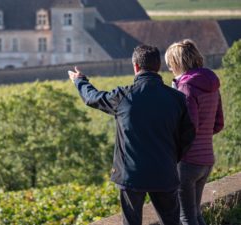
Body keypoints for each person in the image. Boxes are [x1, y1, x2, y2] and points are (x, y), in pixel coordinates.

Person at [68, 45, 195, 225]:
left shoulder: (123, 96)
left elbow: (92, 98)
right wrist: (171, 158)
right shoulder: (177, 98)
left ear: (135, 66)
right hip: (164, 172)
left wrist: (80, 80)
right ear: (158, 66)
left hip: (131, 176)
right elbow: (188, 135)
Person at [165, 39, 224, 225]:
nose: (169, 69)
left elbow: (188, 127)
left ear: (177, 63)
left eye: (170, 64)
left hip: (188, 161)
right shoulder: (212, 84)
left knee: (186, 217)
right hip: (206, 159)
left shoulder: (185, 87)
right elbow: (218, 124)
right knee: (196, 214)